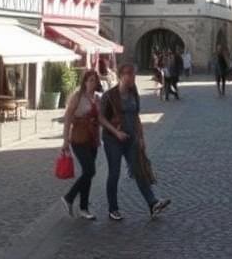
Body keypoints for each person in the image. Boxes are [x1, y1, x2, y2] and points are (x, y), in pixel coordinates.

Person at [100, 63, 171, 221]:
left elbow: (136, 116)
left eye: (134, 74)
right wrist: (116, 132)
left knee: (139, 169)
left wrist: (141, 138)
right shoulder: (109, 95)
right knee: (114, 173)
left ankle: (152, 203)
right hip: (113, 139)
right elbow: (101, 118)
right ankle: (113, 209)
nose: (132, 77)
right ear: (121, 76)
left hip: (131, 138)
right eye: (129, 74)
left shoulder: (133, 92)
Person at [60, 69, 102, 220]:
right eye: (90, 80)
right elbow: (68, 118)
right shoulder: (77, 97)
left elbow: (101, 118)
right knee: (90, 170)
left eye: (94, 80)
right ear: (84, 82)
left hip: (93, 138)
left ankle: (84, 208)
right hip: (79, 138)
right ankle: (69, 197)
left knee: (87, 173)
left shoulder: (97, 98)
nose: (92, 83)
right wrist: (65, 140)